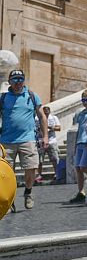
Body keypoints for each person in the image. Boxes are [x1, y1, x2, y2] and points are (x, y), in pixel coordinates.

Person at [0, 70, 47, 210]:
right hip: (7, 140)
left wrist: (45, 136)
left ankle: (28, 192)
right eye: (14, 79)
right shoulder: (3, 98)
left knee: (31, 167)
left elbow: (42, 117)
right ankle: (10, 198)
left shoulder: (32, 96)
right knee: (5, 173)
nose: (18, 82)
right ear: (9, 82)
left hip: (28, 139)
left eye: (20, 79)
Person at [69, 89, 87, 204]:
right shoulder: (80, 113)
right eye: (83, 100)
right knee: (77, 168)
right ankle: (81, 192)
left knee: (83, 167)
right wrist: (76, 144)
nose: (85, 102)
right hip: (80, 142)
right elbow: (79, 129)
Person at [42, 106, 63, 184]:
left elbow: (59, 128)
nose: (46, 112)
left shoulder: (54, 118)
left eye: (47, 111)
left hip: (52, 141)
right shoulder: (38, 119)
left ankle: (57, 173)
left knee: (55, 158)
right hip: (41, 141)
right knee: (40, 160)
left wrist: (51, 128)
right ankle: (39, 175)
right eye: (45, 111)